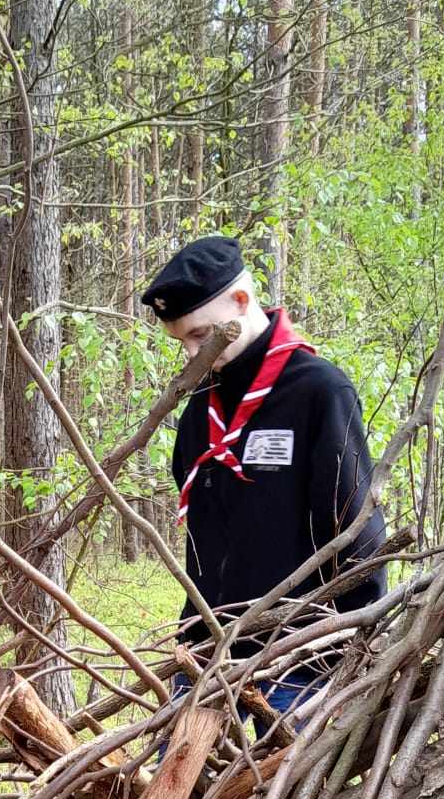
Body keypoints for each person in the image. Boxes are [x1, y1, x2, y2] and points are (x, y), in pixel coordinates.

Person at [140, 234, 387, 727]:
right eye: (183, 341)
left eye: (201, 333)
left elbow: (356, 524)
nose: (195, 351)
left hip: (304, 653)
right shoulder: (197, 412)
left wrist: (358, 637)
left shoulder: (318, 392)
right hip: (210, 652)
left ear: (241, 300)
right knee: (188, 798)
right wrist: (193, 634)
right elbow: (203, 541)